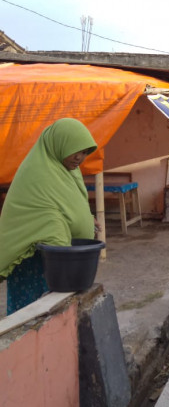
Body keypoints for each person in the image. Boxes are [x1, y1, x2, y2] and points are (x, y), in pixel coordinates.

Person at [0, 118, 98, 315]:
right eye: (75, 150)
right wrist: (67, 260)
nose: (80, 157)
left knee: (53, 314)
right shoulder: (37, 172)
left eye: (85, 152)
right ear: (59, 144)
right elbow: (48, 217)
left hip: (54, 257)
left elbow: (71, 203)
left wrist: (87, 218)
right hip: (30, 257)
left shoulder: (69, 171)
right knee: (29, 314)